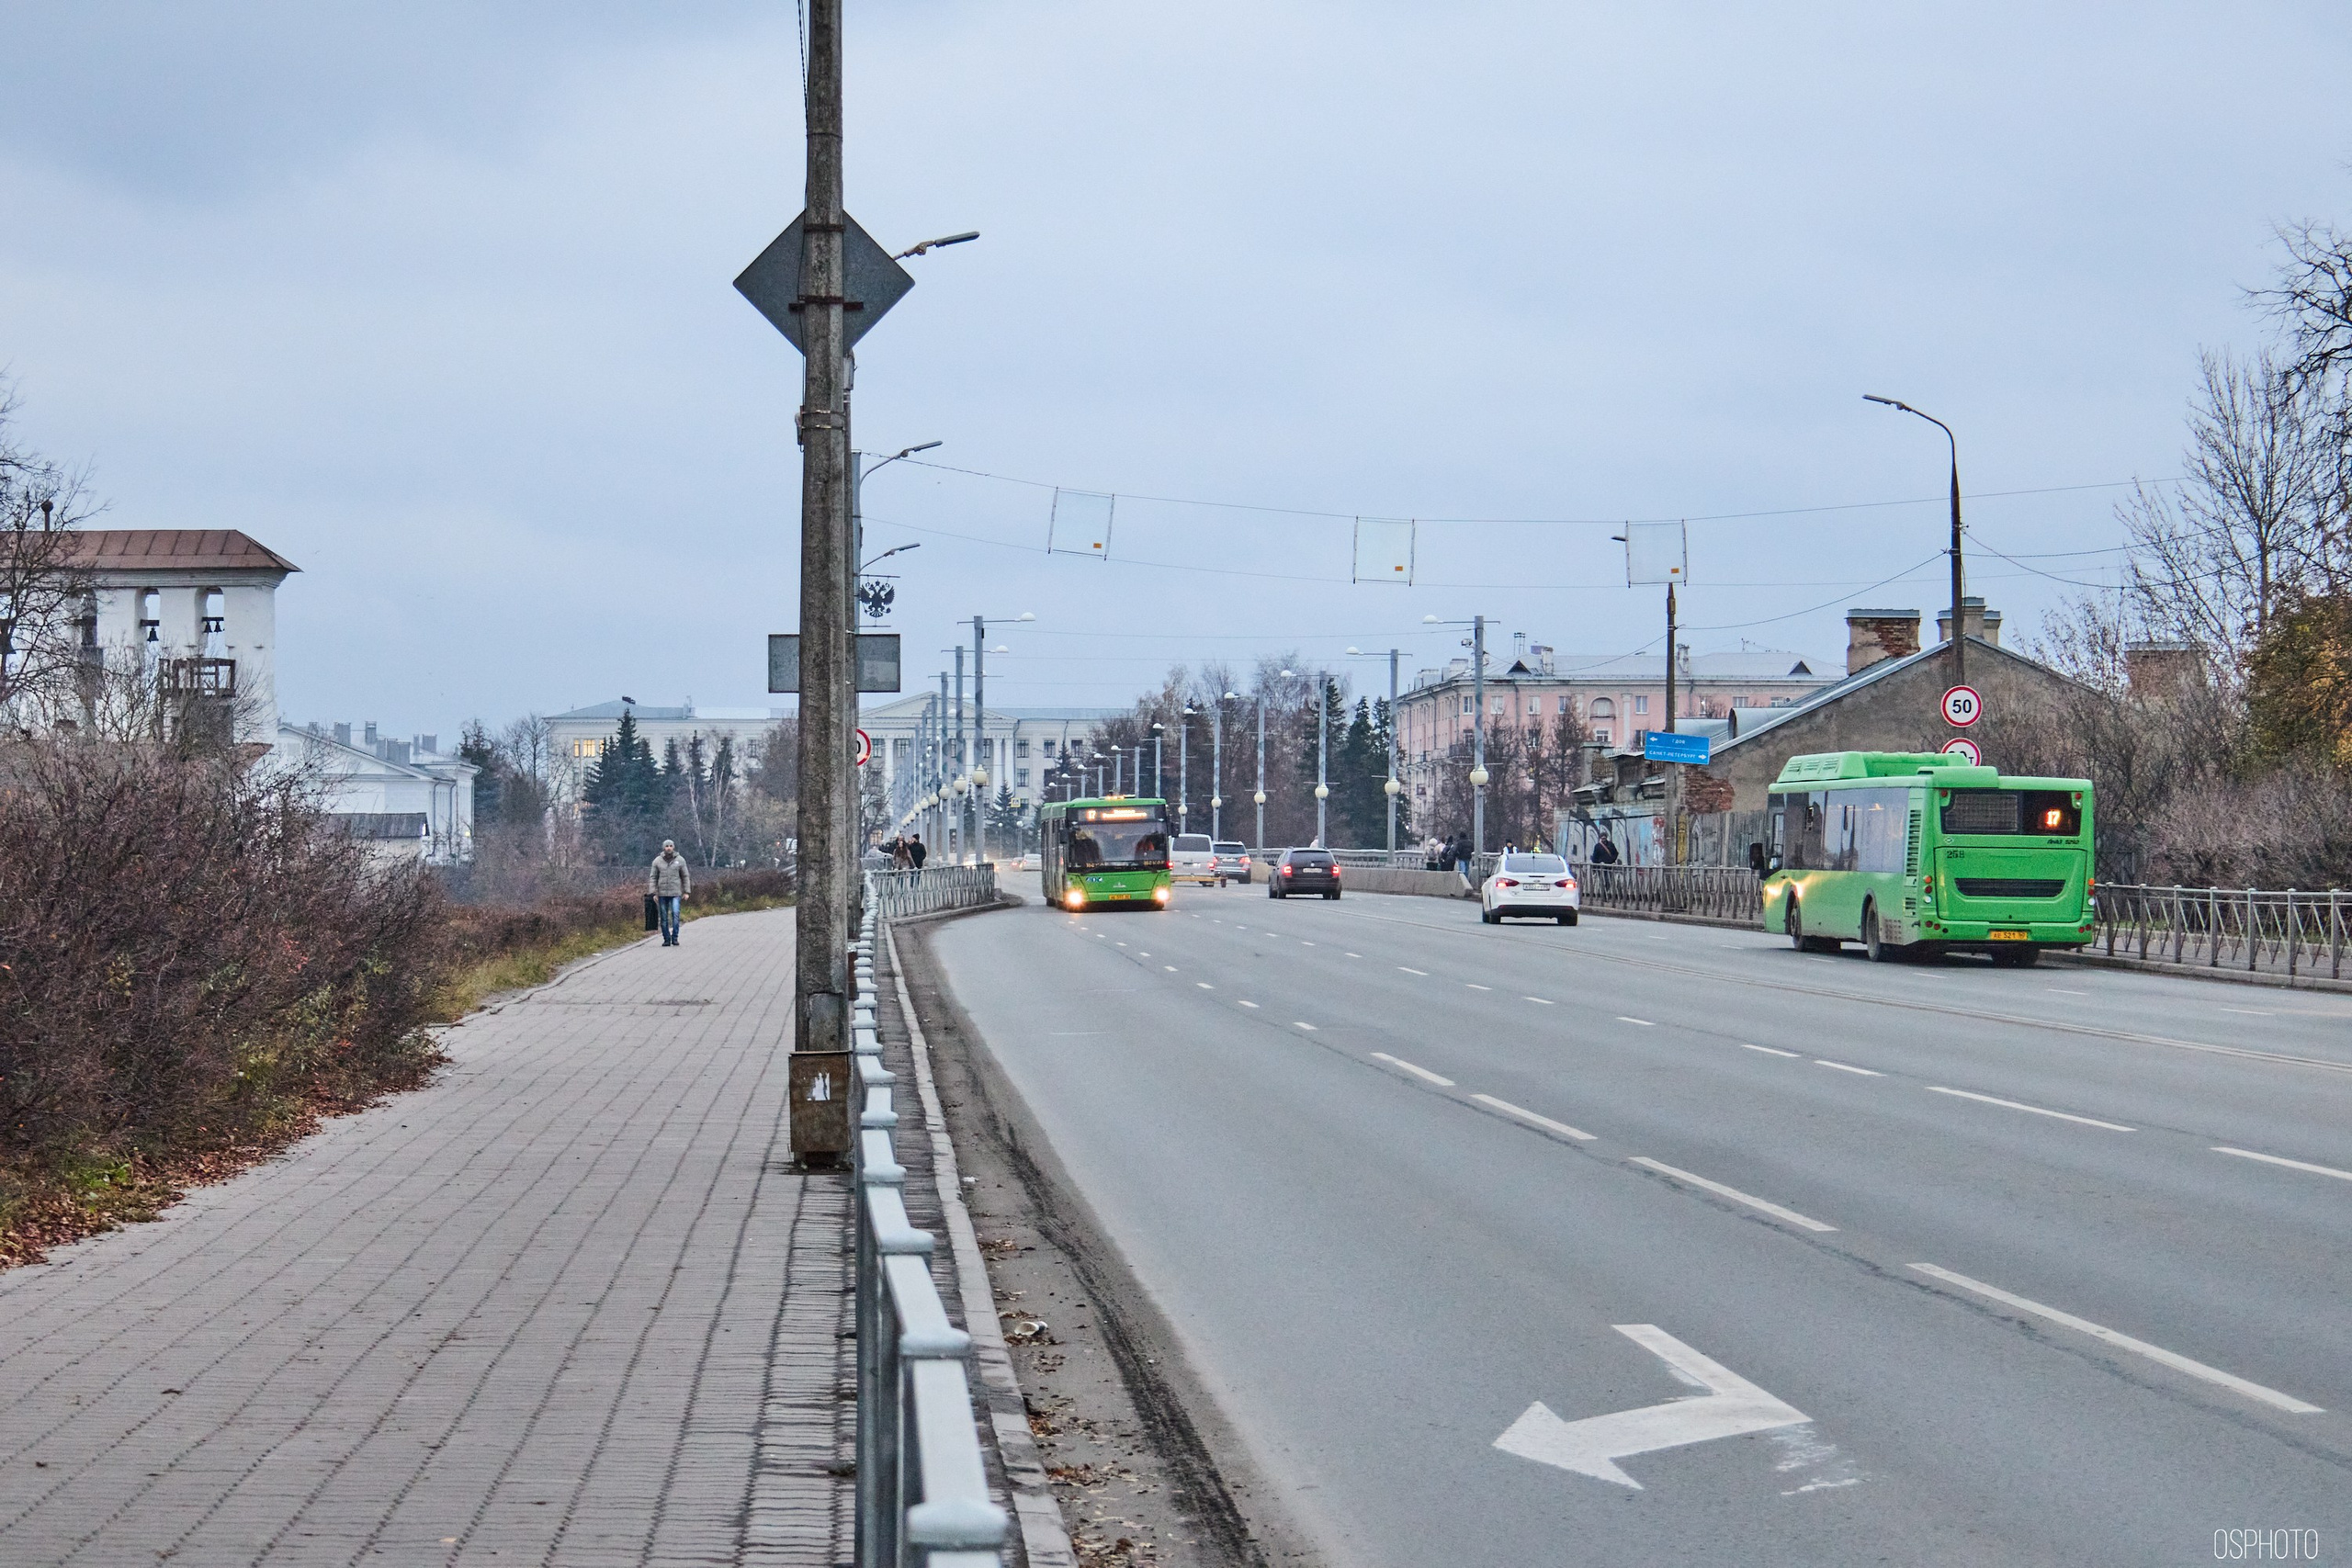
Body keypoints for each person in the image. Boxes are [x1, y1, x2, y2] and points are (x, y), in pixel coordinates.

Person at [650, 840, 691, 946]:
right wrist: (653, 893)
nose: (669, 848)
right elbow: (653, 877)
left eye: (670, 846)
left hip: (675, 893)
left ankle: (675, 937)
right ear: (664, 847)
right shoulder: (657, 861)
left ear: (673, 847)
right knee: (664, 917)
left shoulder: (680, 860)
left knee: (675, 914)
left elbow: (685, 876)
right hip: (662, 893)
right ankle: (666, 939)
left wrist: (687, 891)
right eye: (667, 846)